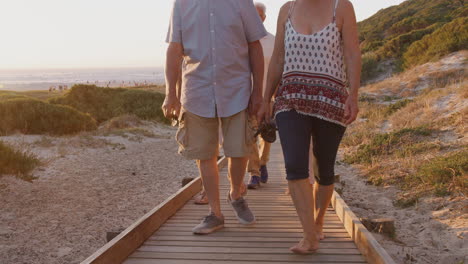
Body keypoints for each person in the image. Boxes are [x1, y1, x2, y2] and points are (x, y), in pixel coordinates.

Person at [257, 0, 361, 254]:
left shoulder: (342, 7)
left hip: (331, 99)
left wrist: (354, 95)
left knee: (323, 169)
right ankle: (309, 235)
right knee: (294, 166)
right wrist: (266, 98)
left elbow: (351, 53)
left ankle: (318, 221)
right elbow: (279, 59)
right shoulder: (287, 10)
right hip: (291, 97)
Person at [163, 0, 267, 234]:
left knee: (239, 150)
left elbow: (255, 46)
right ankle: (215, 213)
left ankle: (235, 193)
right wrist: (170, 93)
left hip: (237, 90)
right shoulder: (182, 4)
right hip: (197, 91)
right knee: (204, 154)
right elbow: (174, 48)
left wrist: (257, 92)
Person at [247, 2, 275, 190]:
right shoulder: (241, 40)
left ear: (264, 18)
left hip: (268, 96)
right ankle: (254, 174)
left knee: (266, 134)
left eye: (258, 15)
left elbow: (277, 69)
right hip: (245, 96)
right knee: (249, 137)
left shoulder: (273, 41)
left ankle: (263, 162)